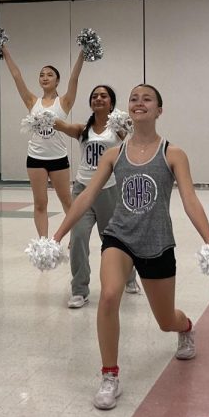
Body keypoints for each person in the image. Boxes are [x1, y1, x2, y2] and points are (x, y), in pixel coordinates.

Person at [52, 84, 209, 410]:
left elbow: (190, 200)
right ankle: (109, 376)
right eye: (134, 99)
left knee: (165, 320)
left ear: (159, 110)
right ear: (128, 110)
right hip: (120, 236)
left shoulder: (173, 154)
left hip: (157, 242)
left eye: (147, 99)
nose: (139, 102)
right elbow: (86, 195)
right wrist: (58, 234)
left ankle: (185, 327)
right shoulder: (114, 154)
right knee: (110, 295)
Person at [53, 85, 140, 308]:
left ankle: (129, 276)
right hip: (82, 190)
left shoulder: (119, 129)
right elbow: (59, 124)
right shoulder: (82, 129)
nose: (98, 98)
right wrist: (42, 116)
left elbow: (136, 125)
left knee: (113, 241)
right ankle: (79, 290)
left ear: (111, 103)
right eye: (94, 96)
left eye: (104, 96)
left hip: (109, 190)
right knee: (79, 238)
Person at [1, 42, 85, 237]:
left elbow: (75, 78)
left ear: (57, 81)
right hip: (35, 158)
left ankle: (75, 237)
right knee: (40, 203)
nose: (45, 77)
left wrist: (83, 52)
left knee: (67, 201)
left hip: (58, 158)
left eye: (49, 74)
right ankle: (43, 243)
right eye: (41, 74)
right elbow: (16, 76)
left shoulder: (63, 102)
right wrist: (5, 51)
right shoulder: (32, 101)